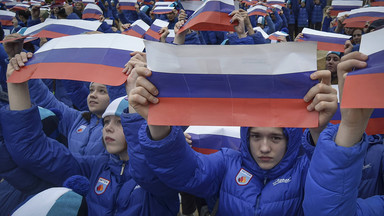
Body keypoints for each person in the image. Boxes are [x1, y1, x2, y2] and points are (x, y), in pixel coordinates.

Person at [126, 53, 338, 215]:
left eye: (275, 137)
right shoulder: (228, 163)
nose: (264, 148)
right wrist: (159, 121)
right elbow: (184, 171)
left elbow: (332, 187)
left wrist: (319, 130)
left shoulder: (304, 170)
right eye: (256, 136)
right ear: (245, 137)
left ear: (290, 139)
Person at [1, 52, 179, 215]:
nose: (108, 128)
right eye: (106, 122)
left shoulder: (164, 175)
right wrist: (17, 84)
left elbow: (148, 168)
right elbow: (33, 151)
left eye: (120, 122)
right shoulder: (93, 169)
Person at [303, 51, 384, 215]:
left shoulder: (378, 154)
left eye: (335, 59)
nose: (264, 147)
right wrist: (321, 130)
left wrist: (351, 127)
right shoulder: (319, 92)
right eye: (328, 59)